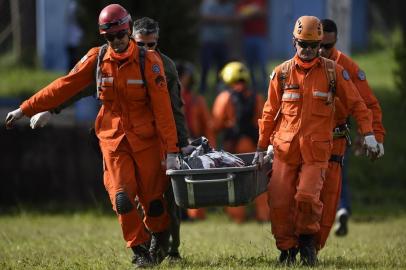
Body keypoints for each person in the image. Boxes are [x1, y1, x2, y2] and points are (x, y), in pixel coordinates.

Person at [5, 4, 180, 268]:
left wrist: (172, 152)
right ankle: (139, 250)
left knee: (154, 201)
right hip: (113, 140)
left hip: (146, 141)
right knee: (122, 198)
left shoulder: (150, 63)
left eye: (121, 35)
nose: (117, 42)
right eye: (110, 37)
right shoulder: (97, 59)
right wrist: (26, 108)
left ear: (129, 30)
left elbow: (165, 112)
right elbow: (65, 85)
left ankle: (158, 240)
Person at [252, 16, 380, 266]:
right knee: (278, 202)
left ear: (320, 43)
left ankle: (307, 244)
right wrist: (261, 146)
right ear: (294, 42)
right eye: (303, 44)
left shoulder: (334, 72)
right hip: (285, 151)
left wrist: (370, 134)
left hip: (316, 152)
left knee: (308, 198)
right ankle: (287, 250)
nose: (309, 50)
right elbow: (269, 113)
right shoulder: (281, 73)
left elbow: (358, 105)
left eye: (314, 45)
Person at [314, 18, 385, 248]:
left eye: (329, 46)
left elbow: (370, 105)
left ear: (335, 42)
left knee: (335, 185)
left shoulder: (348, 69)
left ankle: (336, 215)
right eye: (319, 45)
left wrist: (374, 137)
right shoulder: (298, 65)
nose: (323, 51)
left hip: (335, 139)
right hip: (305, 140)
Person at [212, 61, 270, 223]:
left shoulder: (224, 98)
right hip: (253, 147)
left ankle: (238, 218)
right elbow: (264, 123)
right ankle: (264, 215)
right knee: (259, 181)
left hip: (233, 148)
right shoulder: (256, 97)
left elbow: (215, 125)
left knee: (233, 182)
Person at [176, 60, 216, 221]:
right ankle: (180, 215)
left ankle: (195, 216)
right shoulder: (167, 99)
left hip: (194, 147)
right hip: (174, 146)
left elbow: (207, 127)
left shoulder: (196, 100)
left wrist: (210, 148)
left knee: (195, 183)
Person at [199, 0, 237, 94]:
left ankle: (219, 89)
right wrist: (224, 19)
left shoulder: (230, 5)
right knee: (206, 66)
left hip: (223, 41)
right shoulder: (208, 3)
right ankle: (203, 88)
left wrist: (217, 19)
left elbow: (234, 19)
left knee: (222, 67)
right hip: (209, 40)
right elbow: (204, 17)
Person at [236, 0, 268, 94]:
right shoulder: (243, 2)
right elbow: (239, 15)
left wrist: (248, 12)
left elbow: (263, 13)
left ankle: (265, 86)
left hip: (260, 36)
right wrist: (253, 11)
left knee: (262, 64)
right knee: (249, 64)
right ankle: (252, 86)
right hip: (247, 37)